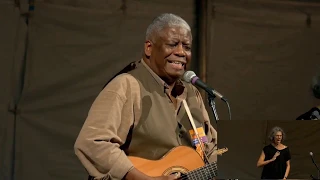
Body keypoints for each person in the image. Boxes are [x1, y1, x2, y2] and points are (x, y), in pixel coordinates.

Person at [74, 13, 218, 180]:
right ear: (149, 48)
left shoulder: (192, 94)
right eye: (172, 44)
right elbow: (93, 142)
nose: (181, 52)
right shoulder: (127, 85)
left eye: (186, 47)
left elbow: (210, 149)